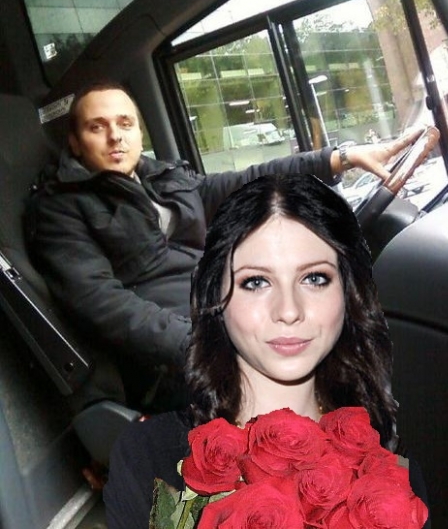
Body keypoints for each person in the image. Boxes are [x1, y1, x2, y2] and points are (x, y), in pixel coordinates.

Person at [25, 80, 420, 408]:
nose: (115, 135)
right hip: (169, 359)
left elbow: (249, 179)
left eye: (125, 123)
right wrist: (200, 345)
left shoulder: (163, 178)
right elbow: (103, 304)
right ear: (75, 142)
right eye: (97, 127)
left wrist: (340, 158)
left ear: (138, 133)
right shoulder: (61, 208)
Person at [103, 173, 430, 529]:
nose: (288, 310)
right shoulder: (146, 459)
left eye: (314, 278)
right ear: (216, 296)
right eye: (256, 282)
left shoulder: (391, 467)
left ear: (349, 293)